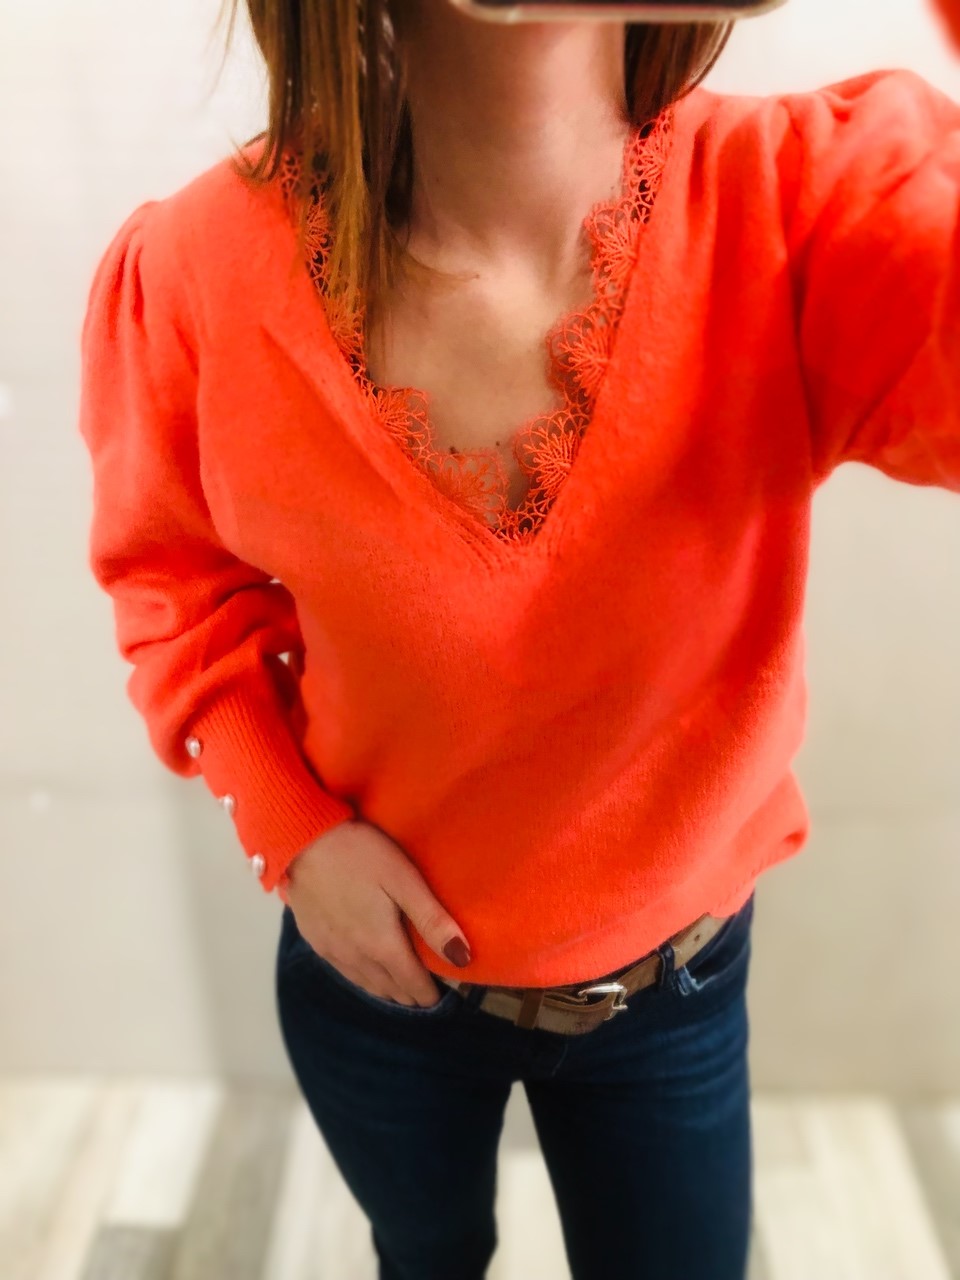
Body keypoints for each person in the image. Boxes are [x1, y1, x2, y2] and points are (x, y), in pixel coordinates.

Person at [77, 1, 960, 1276]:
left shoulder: (807, 207)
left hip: (672, 996)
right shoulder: (195, 272)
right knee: (424, 1252)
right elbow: (173, 580)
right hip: (376, 978)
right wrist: (289, 825)